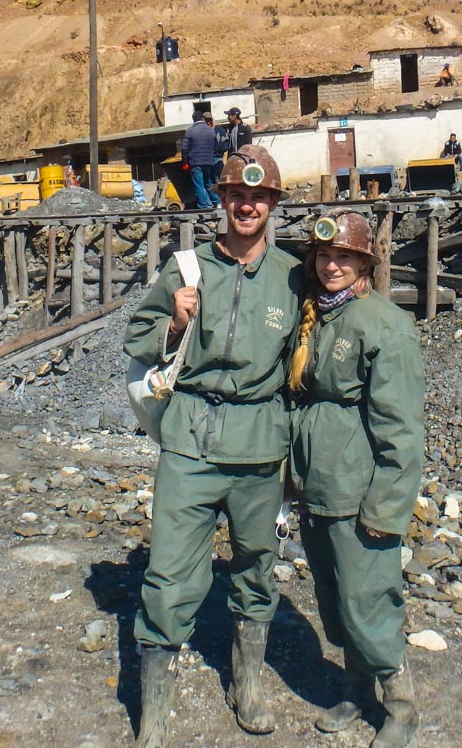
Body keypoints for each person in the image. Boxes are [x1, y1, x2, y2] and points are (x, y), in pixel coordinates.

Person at [122, 145, 304, 747]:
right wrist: (173, 323)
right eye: (237, 195)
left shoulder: (293, 276)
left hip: (261, 446)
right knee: (170, 573)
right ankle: (155, 712)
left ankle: (246, 683)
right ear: (221, 200)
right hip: (190, 442)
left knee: (257, 567)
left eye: (259, 197)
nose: (247, 206)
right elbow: (137, 339)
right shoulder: (186, 267)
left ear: (272, 204)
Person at [287, 210, 424, 748]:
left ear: (365, 263)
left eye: (344, 257)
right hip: (317, 482)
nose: (331, 266)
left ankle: (401, 706)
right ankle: (356, 687)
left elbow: (401, 430)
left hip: (357, 486)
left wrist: (386, 507)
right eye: (324, 255)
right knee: (333, 595)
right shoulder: (316, 313)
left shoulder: (384, 325)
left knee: (368, 598)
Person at [180, 110, 220, 209]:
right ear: (202, 118)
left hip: (195, 162)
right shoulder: (211, 130)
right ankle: (217, 202)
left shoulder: (190, 131)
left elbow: (184, 148)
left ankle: (204, 205)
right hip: (209, 162)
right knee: (208, 183)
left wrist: (185, 163)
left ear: (193, 119)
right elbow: (216, 147)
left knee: (199, 185)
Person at [211, 112, 230, 181]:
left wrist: (216, 148)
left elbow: (225, 145)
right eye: (206, 121)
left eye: (210, 120)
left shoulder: (219, 129)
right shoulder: (204, 131)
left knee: (218, 180)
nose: (208, 123)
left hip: (218, 158)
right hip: (207, 160)